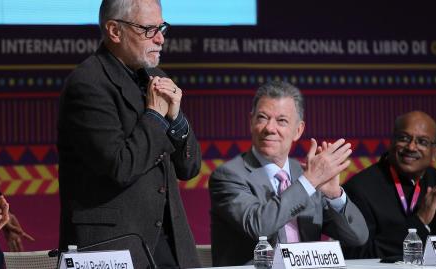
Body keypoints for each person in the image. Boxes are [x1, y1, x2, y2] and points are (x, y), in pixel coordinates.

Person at [57, 0, 201, 268]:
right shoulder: (88, 84)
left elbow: (189, 167)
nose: (160, 39)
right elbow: (120, 166)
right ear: (114, 31)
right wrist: (156, 117)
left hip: (170, 245)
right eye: (148, 29)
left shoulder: (155, 77)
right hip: (114, 246)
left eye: (162, 28)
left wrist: (177, 119)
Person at [209, 81, 368, 266]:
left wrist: (334, 195)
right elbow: (259, 226)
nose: (270, 128)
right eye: (262, 118)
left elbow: (358, 237)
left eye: (281, 121)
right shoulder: (229, 175)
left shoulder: (307, 174)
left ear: (298, 130)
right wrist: (308, 182)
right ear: (251, 122)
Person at [342, 111, 436, 259]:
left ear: (434, 153)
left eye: (422, 141)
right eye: (404, 138)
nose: (411, 147)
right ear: (391, 142)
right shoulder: (360, 188)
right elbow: (357, 256)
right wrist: (419, 221)